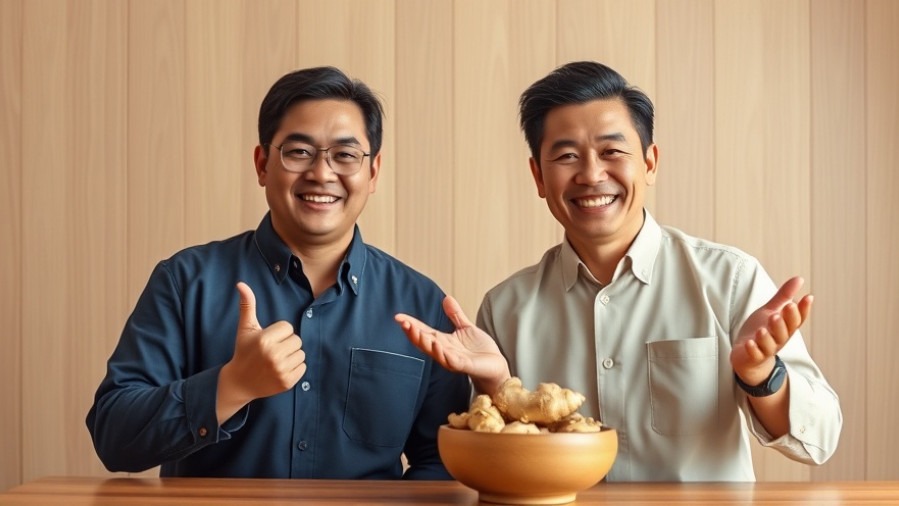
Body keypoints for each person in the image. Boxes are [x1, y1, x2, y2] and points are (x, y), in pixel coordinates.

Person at [395, 61, 842, 481]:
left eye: (611, 151)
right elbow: (498, 466)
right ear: (537, 176)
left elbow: (819, 439)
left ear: (649, 162)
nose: (591, 174)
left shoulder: (729, 280)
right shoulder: (506, 306)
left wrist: (761, 374)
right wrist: (496, 385)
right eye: (566, 156)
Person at [86, 66, 471, 479]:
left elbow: (445, 459)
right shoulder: (185, 282)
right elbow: (114, 436)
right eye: (299, 152)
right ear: (262, 164)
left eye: (344, 155)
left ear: (372, 172)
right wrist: (231, 386)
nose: (322, 173)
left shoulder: (421, 304)